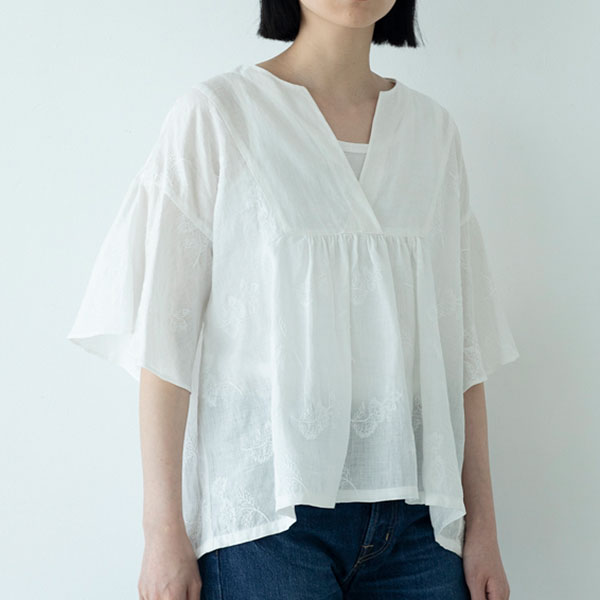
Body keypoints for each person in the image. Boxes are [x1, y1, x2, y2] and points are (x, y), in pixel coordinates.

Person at [66, 1, 520, 599]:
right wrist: (162, 532)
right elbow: (163, 344)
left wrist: (483, 527)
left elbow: (463, 352)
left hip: (420, 523)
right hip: (265, 518)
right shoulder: (219, 116)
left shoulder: (433, 133)